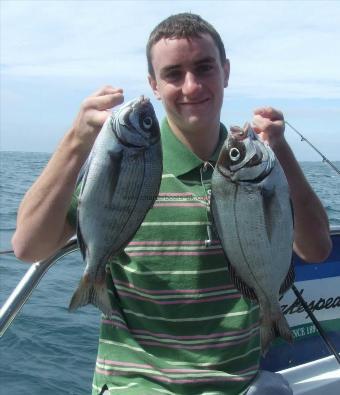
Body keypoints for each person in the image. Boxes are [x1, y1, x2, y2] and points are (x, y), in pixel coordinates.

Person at [12, 13, 331, 395]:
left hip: (240, 383)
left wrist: (280, 153)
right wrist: (77, 140)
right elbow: (28, 247)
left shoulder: (255, 165)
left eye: (204, 68)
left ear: (226, 72)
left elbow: (316, 249)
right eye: (173, 74)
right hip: (138, 385)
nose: (191, 85)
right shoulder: (127, 164)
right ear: (154, 85)